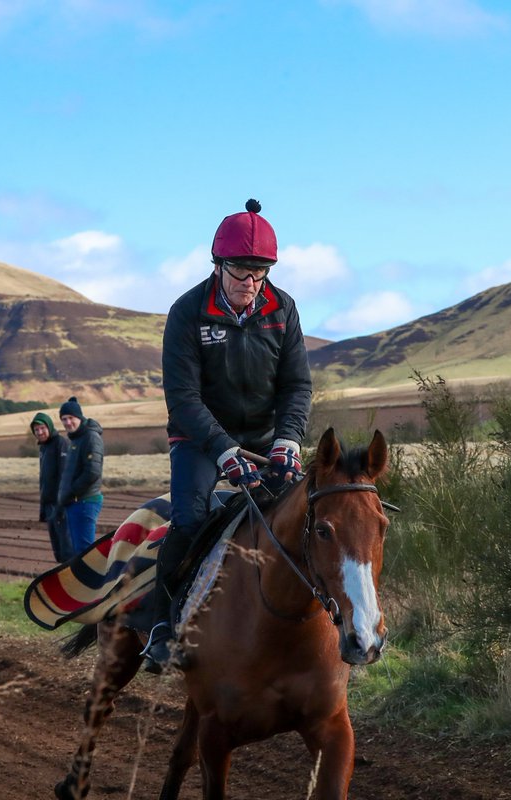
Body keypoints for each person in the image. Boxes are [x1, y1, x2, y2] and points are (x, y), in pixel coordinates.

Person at [143, 198, 312, 673]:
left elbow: (297, 386)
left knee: (296, 522)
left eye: (260, 273)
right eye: (240, 272)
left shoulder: (284, 309)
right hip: (199, 441)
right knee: (191, 521)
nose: (250, 284)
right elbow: (183, 398)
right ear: (218, 264)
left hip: (264, 441)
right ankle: (162, 625)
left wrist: (288, 439)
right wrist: (222, 450)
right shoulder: (187, 312)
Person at [56, 396, 106, 555]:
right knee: (78, 551)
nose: (67, 422)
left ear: (79, 417)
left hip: (85, 502)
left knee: (85, 553)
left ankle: (92, 580)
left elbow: (92, 472)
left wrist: (71, 492)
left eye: (71, 418)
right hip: (75, 502)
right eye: (64, 419)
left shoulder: (91, 437)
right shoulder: (76, 439)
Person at [31, 411, 70, 561]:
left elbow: (64, 476)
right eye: (36, 430)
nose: (40, 432)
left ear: (49, 427)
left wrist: (61, 504)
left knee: (67, 548)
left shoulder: (61, 443)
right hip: (49, 506)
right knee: (58, 550)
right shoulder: (44, 447)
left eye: (42, 428)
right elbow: (44, 480)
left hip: (60, 505)